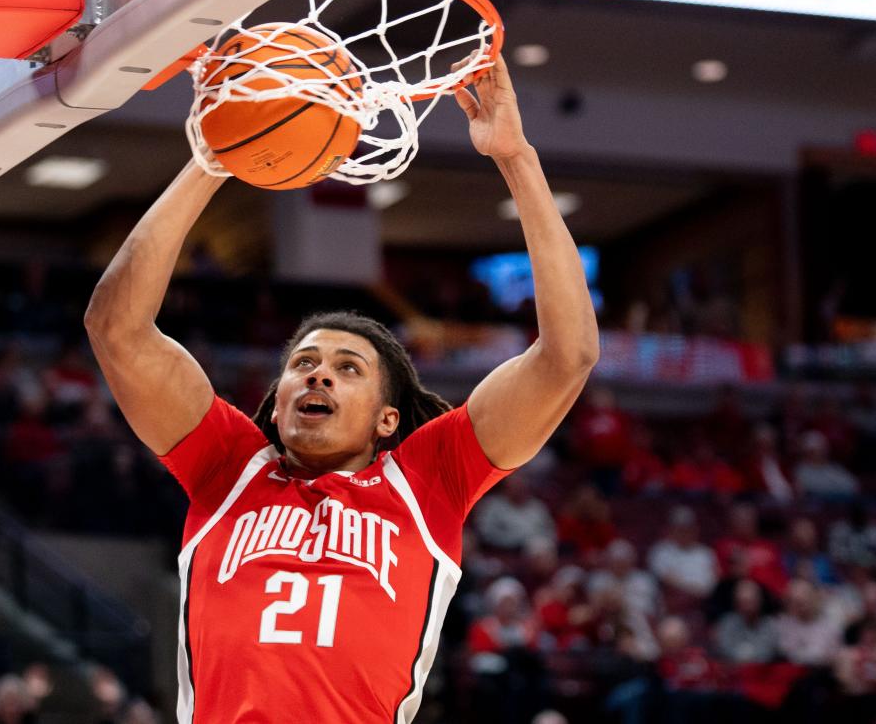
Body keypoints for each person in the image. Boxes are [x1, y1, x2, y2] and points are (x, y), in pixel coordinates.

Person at [85, 54, 599, 723]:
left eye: (347, 367)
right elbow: (116, 327)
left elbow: (568, 355)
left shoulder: (428, 478)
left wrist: (516, 157)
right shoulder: (228, 464)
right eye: (302, 362)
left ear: (388, 420)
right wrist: (213, 157)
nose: (317, 372)